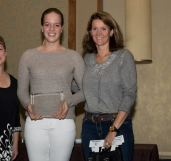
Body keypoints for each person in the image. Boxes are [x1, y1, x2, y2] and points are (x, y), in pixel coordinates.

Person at [17, 8, 85, 161]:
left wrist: (69, 102)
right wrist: (27, 105)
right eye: (48, 25)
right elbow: (21, 90)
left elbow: (86, 91)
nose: (52, 29)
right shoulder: (28, 56)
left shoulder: (73, 57)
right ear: (42, 27)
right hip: (35, 123)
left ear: (62, 28)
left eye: (56, 25)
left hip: (64, 123)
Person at [81, 11, 137, 161]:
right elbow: (78, 89)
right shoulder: (86, 59)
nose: (99, 33)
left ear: (112, 32)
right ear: (90, 32)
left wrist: (114, 129)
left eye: (103, 28)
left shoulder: (124, 57)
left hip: (117, 124)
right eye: (94, 28)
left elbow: (130, 94)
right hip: (89, 127)